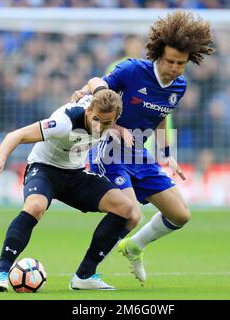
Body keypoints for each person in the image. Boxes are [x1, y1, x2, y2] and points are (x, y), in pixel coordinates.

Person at [71, 11, 215, 284]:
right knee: (129, 212)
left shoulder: (179, 86)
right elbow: (96, 83)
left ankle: (134, 246)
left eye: (181, 63)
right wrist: (102, 109)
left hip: (139, 152)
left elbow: (159, 117)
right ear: (159, 54)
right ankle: (84, 275)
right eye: (170, 61)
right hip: (109, 148)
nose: (175, 68)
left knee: (181, 215)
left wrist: (167, 155)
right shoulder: (132, 70)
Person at [0, 90, 140, 291]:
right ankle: (1, 273)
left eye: (107, 123)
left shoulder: (102, 112)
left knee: (127, 209)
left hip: (75, 174)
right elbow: (17, 135)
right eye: (95, 120)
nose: (99, 127)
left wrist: (86, 88)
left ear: (116, 119)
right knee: (35, 207)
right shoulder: (63, 122)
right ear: (88, 110)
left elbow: (97, 82)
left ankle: (84, 276)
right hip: (44, 169)